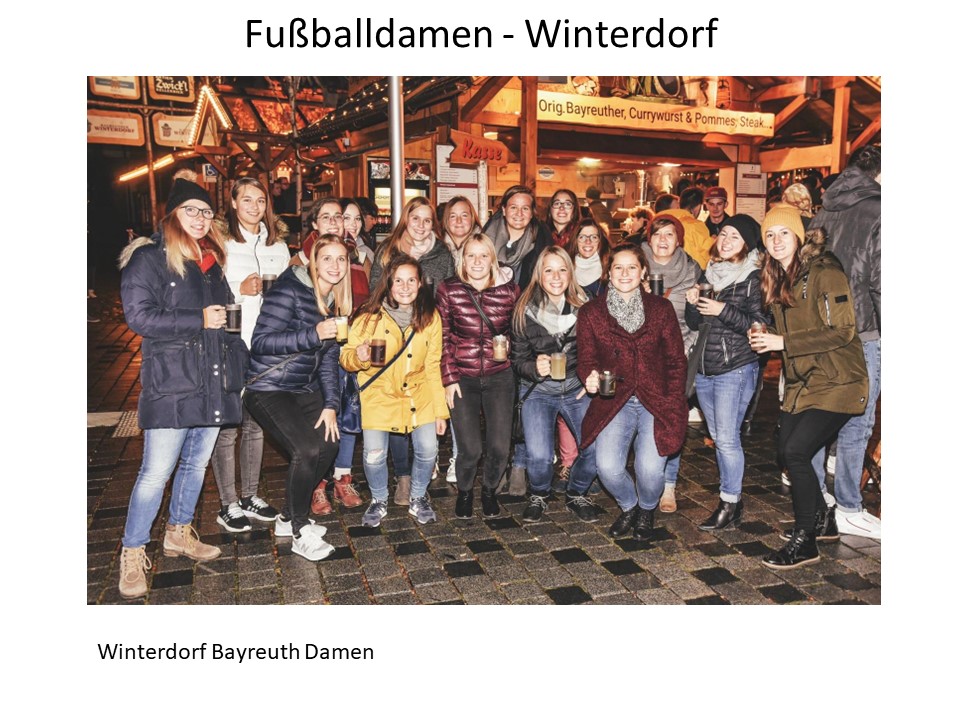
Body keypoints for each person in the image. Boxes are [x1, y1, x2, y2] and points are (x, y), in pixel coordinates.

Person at [117, 176, 246, 599]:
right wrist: (198, 320)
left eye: (206, 211)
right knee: (156, 472)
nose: (200, 218)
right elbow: (139, 317)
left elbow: (228, 317)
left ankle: (178, 532)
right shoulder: (149, 258)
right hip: (172, 383)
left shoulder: (209, 262)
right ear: (172, 214)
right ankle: (132, 551)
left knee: (195, 465)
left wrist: (240, 365)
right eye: (191, 209)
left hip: (211, 381)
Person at [749, 205, 867, 569]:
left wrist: (782, 342)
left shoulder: (824, 271)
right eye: (770, 235)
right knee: (786, 451)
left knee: (797, 451)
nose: (776, 241)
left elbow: (842, 331)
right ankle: (822, 519)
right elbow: (794, 329)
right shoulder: (779, 276)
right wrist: (768, 334)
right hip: (803, 382)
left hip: (838, 380)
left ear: (799, 236)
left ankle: (805, 541)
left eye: (784, 233)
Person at [244, 234, 355, 562]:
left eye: (341, 259)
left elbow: (329, 359)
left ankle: (286, 516)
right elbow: (261, 341)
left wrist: (331, 405)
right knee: (306, 449)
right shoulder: (289, 290)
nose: (335, 265)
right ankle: (298, 529)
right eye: (327, 258)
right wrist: (312, 334)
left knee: (329, 444)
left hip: (303, 388)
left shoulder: (332, 301)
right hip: (268, 387)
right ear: (313, 262)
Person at [578, 244, 688, 541]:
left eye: (632, 267)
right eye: (618, 267)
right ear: (608, 273)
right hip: (615, 400)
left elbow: (676, 361)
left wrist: (674, 400)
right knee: (608, 467)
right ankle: (630, 506)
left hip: (656, 399)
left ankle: (647, 508)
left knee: (650, 470)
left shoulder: (661, 309)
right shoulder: (591, 312)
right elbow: (586, 360)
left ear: (643, 272)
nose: (624, 273)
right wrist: (589, 376)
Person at [341, 254, 449, 527]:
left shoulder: (430, 317)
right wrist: (359, 356)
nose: (405, 287)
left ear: (420, 283)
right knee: (374, 455)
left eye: (411, 280)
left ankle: (418, 497)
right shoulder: (368, 317)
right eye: (398, 280)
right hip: (379, 394)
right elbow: (346, 357)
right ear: (388, 283)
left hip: (418, 394)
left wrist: (440, 412)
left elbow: (433, 366)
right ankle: (378, 499)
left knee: (428, 449)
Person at [808, 144, 881, 539]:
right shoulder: (880, 209)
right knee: (858, 420)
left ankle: (816, 498)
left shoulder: (823, 211)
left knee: (820, 414)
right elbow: (882, 280)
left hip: (822, 329)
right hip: (864, 329)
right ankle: (850, 506)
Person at [209, 177, 288, 532]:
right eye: (247, 200)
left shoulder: (278, 245)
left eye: (260, 200)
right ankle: (227, 503)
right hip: (230, 345)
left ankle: (250, 496)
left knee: (255, 426)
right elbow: (208, 295)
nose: (255, 207)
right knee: (228, 426)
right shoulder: (220, 243)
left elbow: (287, 294)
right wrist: (238, 291)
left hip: (264, 347)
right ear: (233, 203)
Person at [684, 215, 766, 530]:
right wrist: (693, 302)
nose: (726, 240)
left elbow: (759, 324)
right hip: (706, 367)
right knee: (718, 438)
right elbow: (696, 323)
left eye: (735, 236)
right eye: (724, 234)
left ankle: (729, 502)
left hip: (736, 367)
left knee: (728, 439)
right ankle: (734, 499)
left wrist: (723, 309)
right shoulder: (710, 272)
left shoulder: (754, 277)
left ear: (747, 244)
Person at [511, 247, 598, 523]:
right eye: (549, 270)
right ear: (539, 274)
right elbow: (517, 359)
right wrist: (533, 367)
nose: (556, 277)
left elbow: (599, 350)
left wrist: (591, 375)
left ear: (570, 273)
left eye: (562, 270)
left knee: (595, 447)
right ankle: (539, 494)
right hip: (539, 390)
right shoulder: (524, 309)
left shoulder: (587, 305)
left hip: (575, 388)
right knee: (539, 456)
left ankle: (576, 492)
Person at [437, 233, 520, 519]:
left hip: (499, 377)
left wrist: (512, 349)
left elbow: (518, 332)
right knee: (470, 448)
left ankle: (488, 490)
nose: (477, 261)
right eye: (470, 255)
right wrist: (449, 378)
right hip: (463, 377)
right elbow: (443, 338)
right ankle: (464, 492)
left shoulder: (510, 291)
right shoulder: (449, 290)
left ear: (492, 260)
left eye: (483, 255)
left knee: (500, 446)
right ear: (462, 260)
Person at [641, 213, 703, 513]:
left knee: (671, 420)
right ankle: (644, 478)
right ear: (649, 238)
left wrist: (694, 306)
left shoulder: (692, 270)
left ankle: (668, 486)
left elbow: (697, 322)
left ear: (679, 240)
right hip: (640, 357)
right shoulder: (634, 266)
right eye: (657, 234)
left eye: (669, 234)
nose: (662, 240)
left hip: (676, 356)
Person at [438, 195, 483, 485]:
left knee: (461, 397)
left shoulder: (482, 247)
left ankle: (459, 455)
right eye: (452, 215)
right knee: (441, 393)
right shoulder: (436, 249)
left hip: (471, 336)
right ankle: (432, 456)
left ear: (473, 218)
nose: (458, 220)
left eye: (464, 214)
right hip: (439, 328)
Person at [370, 196, 455, 290]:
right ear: (406, 219)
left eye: (427, 220)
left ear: (432, 224)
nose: (421, 225)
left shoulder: (442, 252)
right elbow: (375, 289)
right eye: (415, 218)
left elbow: (450, 292)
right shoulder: (388, 248)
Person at [482, 184, 550, 290]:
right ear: (504, 210)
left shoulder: (542, 243)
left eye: (525, 208)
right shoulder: (485, 239)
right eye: (513, 207)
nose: (519, 213)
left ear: (532, 213)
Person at [662, 187, 713, 270]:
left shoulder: (662, 222)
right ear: (697, 207)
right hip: (691, 273)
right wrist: (714, 242)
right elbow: (707, 254)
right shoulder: (695, 225)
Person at [568, 219, 611, 297]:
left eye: (594, 237)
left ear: (600, 241)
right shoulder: (566, 267)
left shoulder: (609, 267)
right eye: (582, 237)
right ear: (575, 240)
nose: (588, 241)